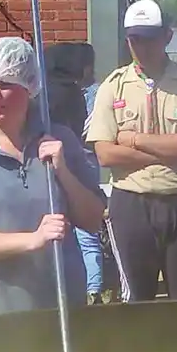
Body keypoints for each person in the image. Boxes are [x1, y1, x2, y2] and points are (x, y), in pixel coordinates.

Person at [0, 37, 107, 319]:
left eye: (5, 84)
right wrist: (33, 240)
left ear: (29, 87)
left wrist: (63, 172)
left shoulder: (60, 140)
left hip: (58, 305)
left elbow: (92, 219)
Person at [87, 0, 177, 303]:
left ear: (167, 36)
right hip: (132, 204)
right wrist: (171, 151)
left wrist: (133, 140)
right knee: (136, 299)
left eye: (149, 38)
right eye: (135, 39)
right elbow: (105, 154)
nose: (142, 46)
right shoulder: (113, 86)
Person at [46, 41, 108, 305]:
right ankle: (93, 288)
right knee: (86, 234)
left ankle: (88, 287)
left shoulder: (43, 92)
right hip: (77, 163)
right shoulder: (71, 94)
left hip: (51, 166)